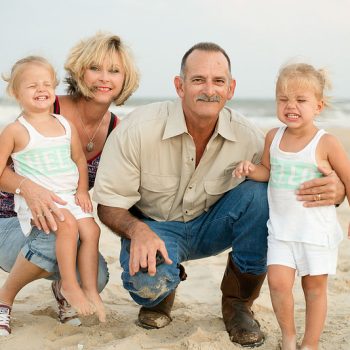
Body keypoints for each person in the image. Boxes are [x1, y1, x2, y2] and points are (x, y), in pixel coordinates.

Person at [93, 43, 344, 347]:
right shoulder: (138, 129)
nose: (209, 90)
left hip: (213, 226)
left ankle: (238, 303)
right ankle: (163, 293)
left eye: (218, 81)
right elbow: (108, 204)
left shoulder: (250, 137)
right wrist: (137, 230)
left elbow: (290, 174)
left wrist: (339, 189)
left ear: (231, 88)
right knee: (148, 285)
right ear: (179, 85)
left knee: (260, 193)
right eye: (198, 80)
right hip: (156, 228)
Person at [0, 33, 139, 335]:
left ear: (124, 78)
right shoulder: (45, 110)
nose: (104, 78)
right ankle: (4, 300)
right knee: (58, 231)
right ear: (79, 72)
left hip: (63, 211)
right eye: (95, 68)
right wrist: (29, 189)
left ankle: (67, 289)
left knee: (98, 275)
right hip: (12, 220)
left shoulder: (116, 129)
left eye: (114, 71)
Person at [233, 63, 350, 350]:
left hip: (315, 233)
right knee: (278, 284)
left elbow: (348, 180)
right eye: (283, 99)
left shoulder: (326, 143)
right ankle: (288, 337)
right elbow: (268, 171)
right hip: (281, 231)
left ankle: (310, 344)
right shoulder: (274, 137)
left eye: (301, 100)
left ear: (318, 106)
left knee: (314, 290)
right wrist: (251, 169)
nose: (291, 106)